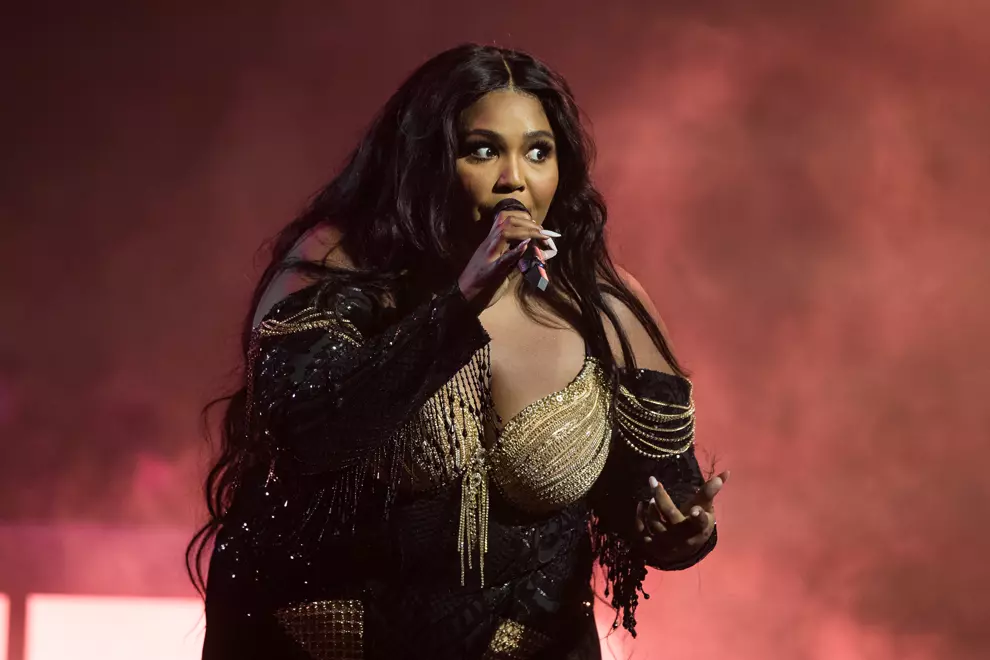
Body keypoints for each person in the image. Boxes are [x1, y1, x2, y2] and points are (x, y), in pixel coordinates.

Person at [189, 43, 729, 660]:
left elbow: (659, 489)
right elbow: (306, 430)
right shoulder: (339, 265)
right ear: (426, 161)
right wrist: (462, 303)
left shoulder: (604, 306)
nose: (514, 178)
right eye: (482, 150)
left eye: (537, 152)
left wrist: (678, 532)